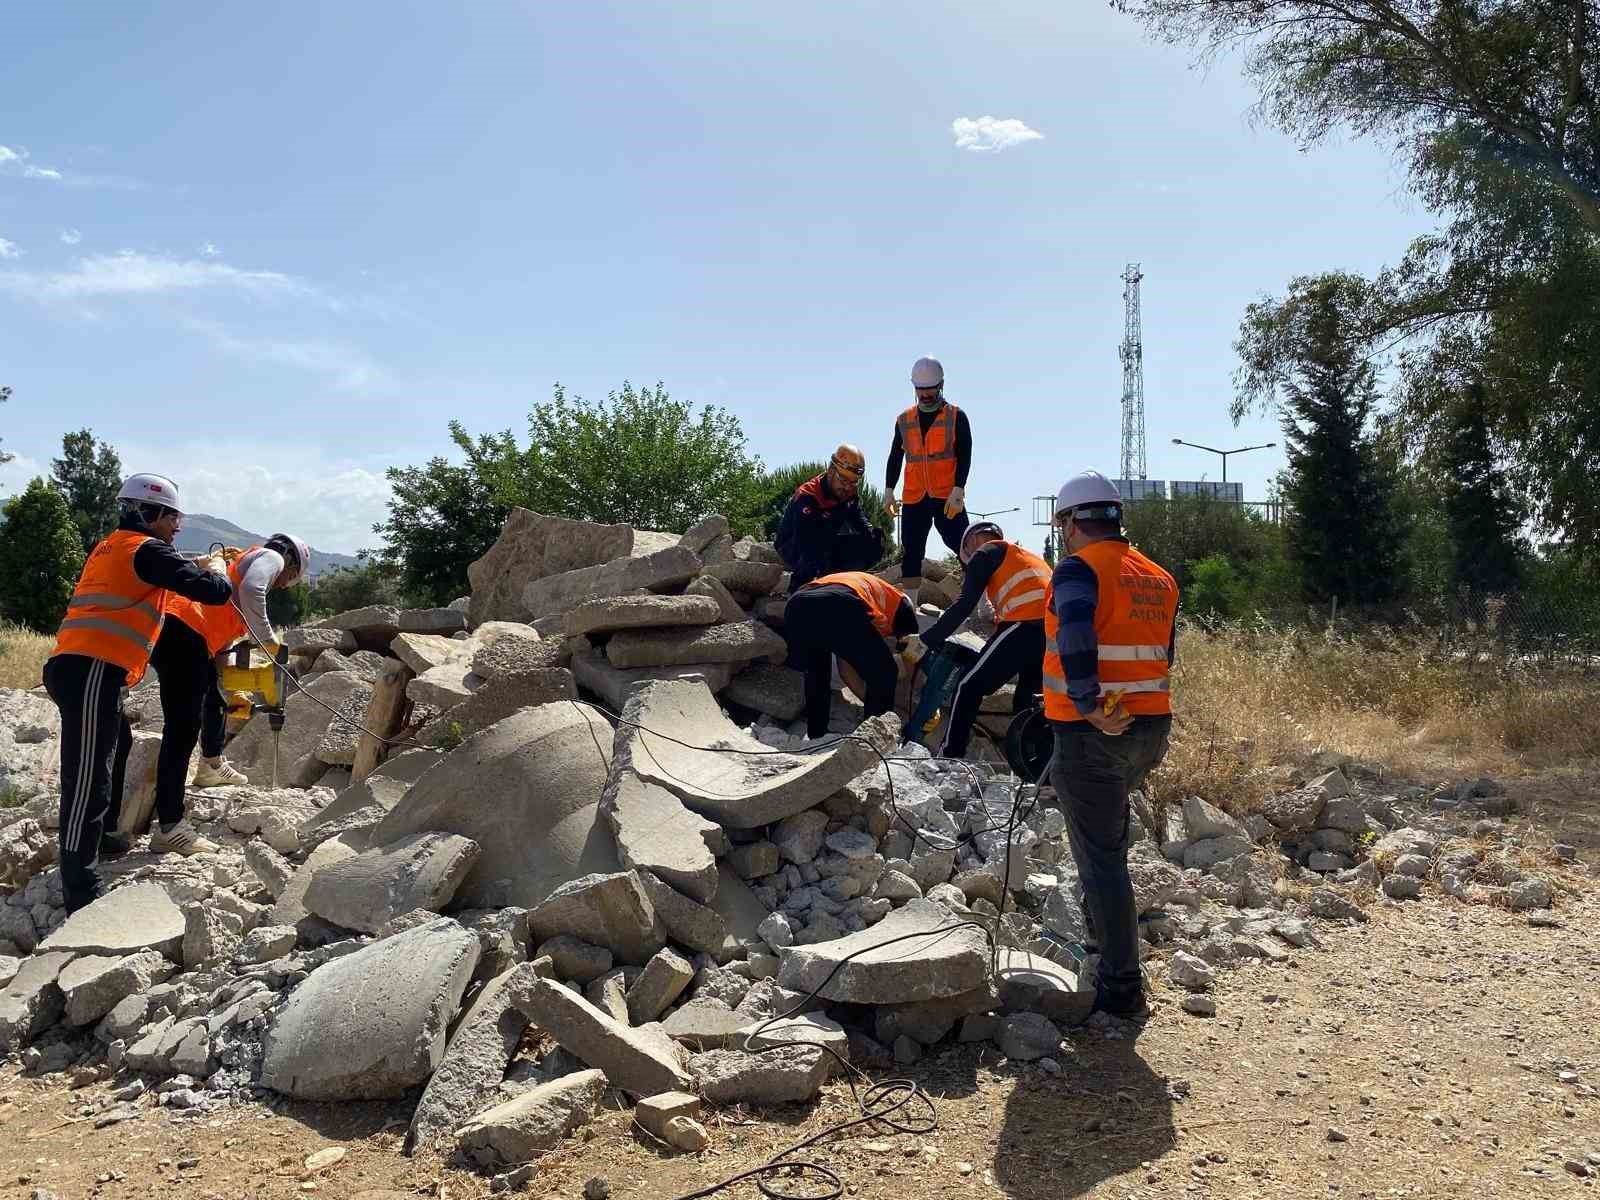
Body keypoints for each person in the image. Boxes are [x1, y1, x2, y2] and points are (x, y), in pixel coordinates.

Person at [44, 474, 233, 911]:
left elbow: (154, 572)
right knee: (88, 780)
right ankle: (82, 892)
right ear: (153, 514)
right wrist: (217, 566)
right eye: (174, 518)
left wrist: (185, 561)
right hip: (92, 669)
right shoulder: (146, 550)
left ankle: (107, 839)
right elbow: (215, 592)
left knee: (118, 745)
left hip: (83, 668)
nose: (178, 527)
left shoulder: (115, 546)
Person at [1042, 470, 1179, 1019]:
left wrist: (1087, 700)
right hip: (1148, 730)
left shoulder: (1078, 569)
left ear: (1074, 522)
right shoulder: (1158, 577)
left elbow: (1075, 631)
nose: (1062, 534)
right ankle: (1102, 938)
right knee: (1107, 844)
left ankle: (1121, 987)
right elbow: (1161, 652)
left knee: (1102, 861)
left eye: (1062, 523)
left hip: (1091, 732)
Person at [153, 533, 310, 855]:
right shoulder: (272, 558)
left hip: (184, 633)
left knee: (214, 697)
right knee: (182, 730)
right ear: (292, 565)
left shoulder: (240, 564)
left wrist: (233, 682)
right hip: (185, 632)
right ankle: (169, 826)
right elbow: (253, 591)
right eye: (289, 580)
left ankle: (210, 766)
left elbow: (224, 628)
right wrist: (269, 642)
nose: (281, 585)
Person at [910, 521, 1051, 759]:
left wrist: (926, 639)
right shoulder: (1024, 556)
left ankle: (950, 756)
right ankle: (1031, 766)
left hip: (1024, 624)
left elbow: (964, 605)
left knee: (968, 686)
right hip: (1051, 631)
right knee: (1027, 700)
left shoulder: (984, 553)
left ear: (969, 544)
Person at [783, 570, 918, 740]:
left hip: (796, 606)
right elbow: (911, 655)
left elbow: (845, 670)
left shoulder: (868, 597)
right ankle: (873, 742)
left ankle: (816, 735)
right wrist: (905, 702)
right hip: (839, 602)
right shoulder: (903, 606)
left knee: (818, 675)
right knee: (886, 671)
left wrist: (869, 700)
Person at [883, 356, 972, 603]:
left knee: (964, 546)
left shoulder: (956, 416)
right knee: (911, 550)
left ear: (941, 385)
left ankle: (980, 600)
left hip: (946, 496)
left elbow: (965, 454)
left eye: (930, 390)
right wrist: (889, 490)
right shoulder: (904, 420)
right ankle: (909, 604)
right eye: (920, 390)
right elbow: (894, 456)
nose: (925, 395)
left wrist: (959, 489)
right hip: (914, 496)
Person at [776, 444, 886, 593]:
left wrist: (872, 534)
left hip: (825, 542)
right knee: (814, 545)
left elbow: (859, 520)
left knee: (873, 542)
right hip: (793, 545)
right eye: (843, 480)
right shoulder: (808, 496)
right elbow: (805, 541)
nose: (847, 487)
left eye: (853, 482)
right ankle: (796, 592)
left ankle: (840, 584)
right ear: (830, 471)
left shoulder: (849, 493)